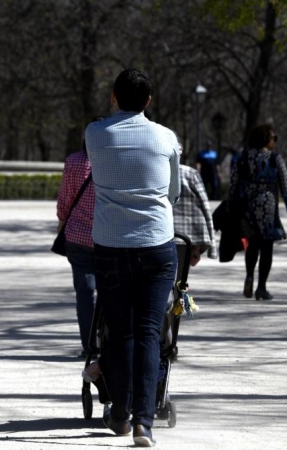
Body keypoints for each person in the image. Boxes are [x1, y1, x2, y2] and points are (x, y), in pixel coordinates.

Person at [85, 68, 180, 448]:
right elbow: (172, 192)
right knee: (148, 333)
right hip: (156, 243)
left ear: (113, 96)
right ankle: (144, 422)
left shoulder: (95, 134)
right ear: (149, 101)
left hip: (110, 243)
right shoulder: (166, 137)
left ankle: (120, 413)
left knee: (120, 332)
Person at [228, 124, 287, 301]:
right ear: (266, 139)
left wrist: (231, 207)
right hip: (267, 206)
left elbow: (233, 185)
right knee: (267, 248)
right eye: (273, 138)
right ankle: (261, 288)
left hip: (247, 206)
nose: (274, 141)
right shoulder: (274, 158)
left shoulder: (242, 157)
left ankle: (249, 275)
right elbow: (286, 189)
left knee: (252, 244)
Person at [56, 118, 102, 358]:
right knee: (109, 292)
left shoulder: (74, 161)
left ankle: (89, 346)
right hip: (109, 239)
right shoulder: (113, 161)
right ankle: (107, 342)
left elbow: (65, 201)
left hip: (78, 238)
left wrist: (62, 222)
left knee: (84, 295)